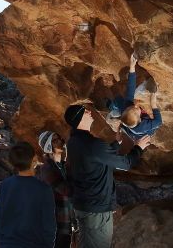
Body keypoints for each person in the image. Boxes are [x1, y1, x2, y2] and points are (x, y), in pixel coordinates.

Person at [64, 104, 150, 248]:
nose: (89, 113)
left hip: (86, 206)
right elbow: (126, 163)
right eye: (85, 112)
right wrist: (138, 147)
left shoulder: (74, 142)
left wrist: (116, 143)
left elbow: (98, 157)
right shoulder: (92, 144)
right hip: (96, 210)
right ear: (79, 119)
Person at [0, 141, 56, 248]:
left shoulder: (5, 185)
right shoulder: (44, 189)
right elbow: (49, 225)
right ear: (34, 160)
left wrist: (2, 242)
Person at [106, 52, 162, 141]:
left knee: (119, 101)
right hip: (142, 134)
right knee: (120, 105)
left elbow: (130, 88)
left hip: (127, 122)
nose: (136, 105)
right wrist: (153, 102)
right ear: (140, 119)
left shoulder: (126, 108)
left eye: (131, 107)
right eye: (136, 110)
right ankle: (113, 110)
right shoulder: (144, 126)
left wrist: (132, 66)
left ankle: (112, 109)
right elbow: (159, 121)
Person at [37, 130, 74, 248]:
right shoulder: (47, 169)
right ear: (48, 146)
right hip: (56, 225)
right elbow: (67, 190)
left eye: (59, 139)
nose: (61, 142)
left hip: (68, 221)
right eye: (55, 140)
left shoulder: (62, 165)